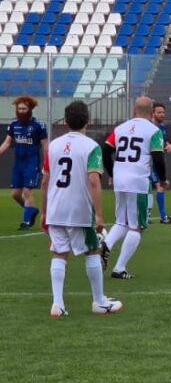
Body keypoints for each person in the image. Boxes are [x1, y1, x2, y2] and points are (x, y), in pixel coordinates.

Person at [40, 101, 122, 317]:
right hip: (79, 211)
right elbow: (94, 181)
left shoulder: (53, 146)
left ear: (65, 121)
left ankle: (57, 304)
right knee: (91, 251)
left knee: (59, 253)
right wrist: (100, 215)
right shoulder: (91, 147)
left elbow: (45, 181)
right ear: (88, 119)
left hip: (56, 210)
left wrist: (44, 212)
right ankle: (99, 302)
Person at [102, 96, 168, 280]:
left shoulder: (120, 128)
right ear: (152, 112)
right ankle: (119, 268)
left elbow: (106, 150)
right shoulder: (154, 131)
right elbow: (157, 157)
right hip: (138, 181)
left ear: (134, 110)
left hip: (120, 180)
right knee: (137, 226)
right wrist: (163, 179)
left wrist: (112, 173)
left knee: (121, 221)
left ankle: (105, 245)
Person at [0, 96, 48, 230]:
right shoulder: (13, 125)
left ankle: (26, 222)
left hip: (31, 163)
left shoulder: (38, 126)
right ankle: (31, 210)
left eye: (24, 109)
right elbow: (7, 142)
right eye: (19, 109)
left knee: (27, 192)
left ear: (30, 109)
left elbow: (45, 146)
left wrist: (47, 163)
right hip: (18, 164)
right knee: (15, 194)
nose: (21, 111)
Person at [149, 102, 171, 224]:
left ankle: (148, 217)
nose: (162, 114)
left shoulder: (162, 128)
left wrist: (168, 145)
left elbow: (163, 142)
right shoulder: (149, 127)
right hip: (148, 162)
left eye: (163, 112)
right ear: (153, 113)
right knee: (159, 186)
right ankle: (163, 217)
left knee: (153, 188)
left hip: (156, 162)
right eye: (159, 112)